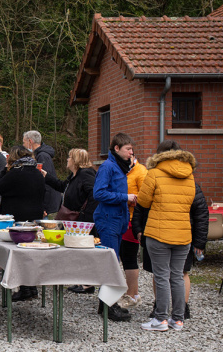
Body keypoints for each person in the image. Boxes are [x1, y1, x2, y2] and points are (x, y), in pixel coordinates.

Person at [132, 140, 196, 332]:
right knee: (176, 276)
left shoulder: (154, 172)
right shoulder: (190, 174)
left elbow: (142, 201)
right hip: (183, 233)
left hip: (158, 233)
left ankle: (160, 319)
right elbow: (191, 201)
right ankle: (178, 320)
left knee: (161, 277)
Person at [133, 182, 209, 321]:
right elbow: (201, 213)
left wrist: (138, 228)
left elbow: (140, 206)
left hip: (157, 233)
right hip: (181, 235)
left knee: (162, 273)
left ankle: (162, 310)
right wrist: (199, 241)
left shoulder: (154, 179)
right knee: (179, 273)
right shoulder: (191, 182)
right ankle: (179, 311)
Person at [93, 132, 136, 322]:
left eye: (132, 149)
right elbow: (99, 193)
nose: (131, 153)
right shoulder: (108, 167)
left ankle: (106, 304)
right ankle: (108, 307)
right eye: (128, 149)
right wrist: (125, 198)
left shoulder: (121, 167)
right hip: (108, 219)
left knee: (113, 261)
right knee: (110, 263)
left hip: (118, 219)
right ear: (117, 149)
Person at [0, 145, 45, 301]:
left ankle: (24, 289)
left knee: (18, 256)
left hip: (17, 218)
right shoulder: (37, 173)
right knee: (30, 255)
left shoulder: (15, 173)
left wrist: (5, 170)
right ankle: (31, 288)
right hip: (34, 218)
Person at [43, 148, 99, 294]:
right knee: (76, 250)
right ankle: (80, 281)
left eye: (69, 157)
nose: (67, 160)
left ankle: (87, 284)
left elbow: (94, 195)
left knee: (84, 251)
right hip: (73, 220)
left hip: (82, 220)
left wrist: (86, 218)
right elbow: (62, 186)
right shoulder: (74, 175)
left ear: (75, 160)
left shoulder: (86, 175)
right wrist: (46, 176)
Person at [117, 153, 148, 309]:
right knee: (123, 255)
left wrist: (129, 198)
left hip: (132, 220)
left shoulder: (141, 171)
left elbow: (145, 198)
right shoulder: (124, 171)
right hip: (121, 219)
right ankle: (130, 292)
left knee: (129, 256)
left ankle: (133, 295)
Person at [22, 130, 61, 216]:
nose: (23, 145)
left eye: (24, 142)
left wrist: (44, 206)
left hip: (48, 208)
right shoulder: (38, 155)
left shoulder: (42, 156)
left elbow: (46, 181)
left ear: (30, 141)